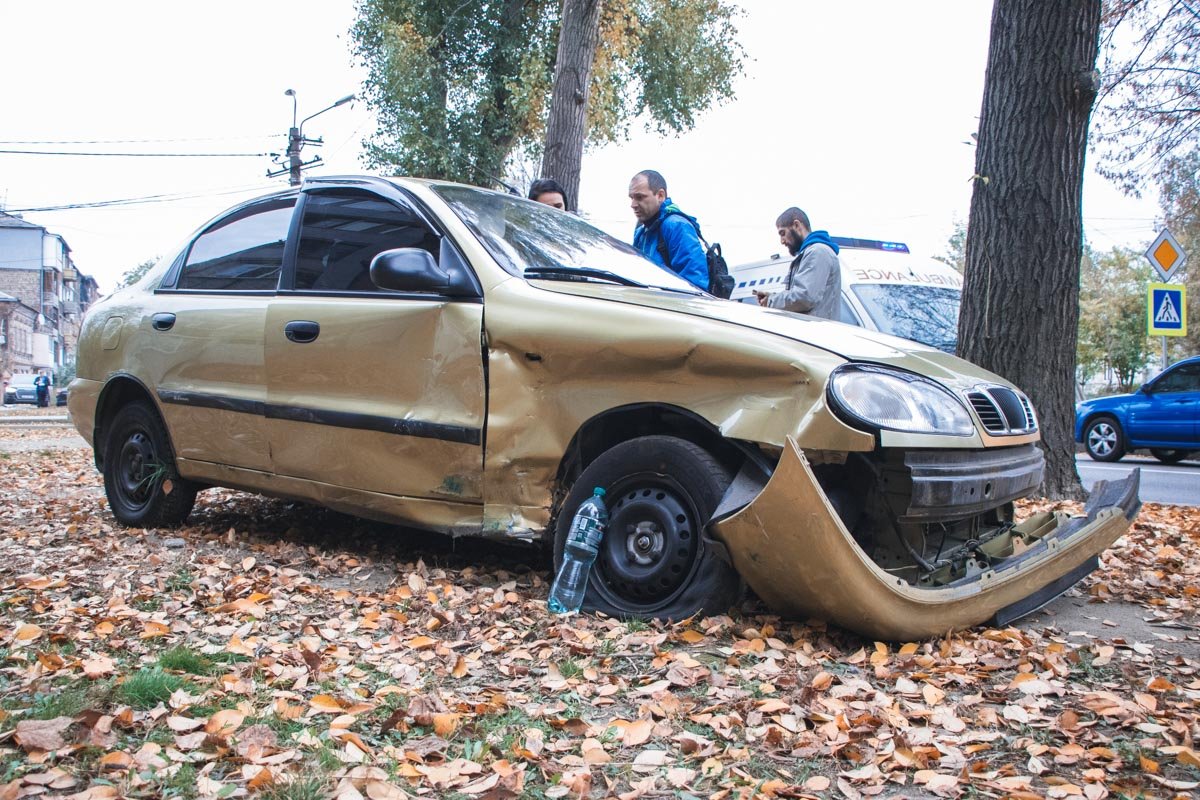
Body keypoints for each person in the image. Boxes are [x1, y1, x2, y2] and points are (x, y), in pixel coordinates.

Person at [755, 207, 841, 320]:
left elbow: (804, 297)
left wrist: (770, 301)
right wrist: (772, 297)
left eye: (783, 233)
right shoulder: (810, 253)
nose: (782, 241)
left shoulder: (817, 252)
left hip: (814, 334)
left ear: (796, 225)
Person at [629, 170, 709, 292]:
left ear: (660, 195)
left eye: (640, 197)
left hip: (669, 308)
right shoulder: (641, 232)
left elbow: (694, 286)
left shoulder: (677, 226)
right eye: (631, 198)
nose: (633, 204)